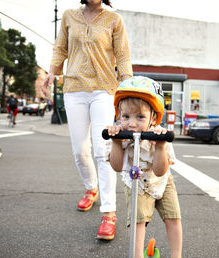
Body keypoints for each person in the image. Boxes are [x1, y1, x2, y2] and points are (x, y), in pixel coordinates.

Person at [41, 0, 133, 240]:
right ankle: (91, 187)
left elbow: (122, 54)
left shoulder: (114, 20)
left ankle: (109, 212)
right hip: (73, 89)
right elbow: (60, 48)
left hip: (104, 89)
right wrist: (51, 72)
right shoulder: (70, 16)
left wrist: (128, 84)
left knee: (103, 150)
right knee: (80, 150)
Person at [106, 76, 183, 258]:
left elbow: (159, 171)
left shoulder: (159, 136)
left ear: (153, 118)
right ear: (118, 116)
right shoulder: (121, 137)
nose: (131, 124)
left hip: (161, 181)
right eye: (126, 117)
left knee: (173, 217)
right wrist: (116, 142)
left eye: (140, 117)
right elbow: (116, 167)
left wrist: (160, 147)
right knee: (137, 223)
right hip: (137, 184)